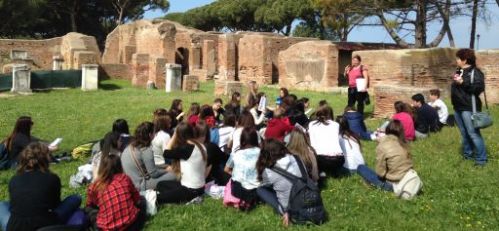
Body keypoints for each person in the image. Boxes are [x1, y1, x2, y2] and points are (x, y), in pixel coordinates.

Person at [0, 143, 81, 231]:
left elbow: (13, 206)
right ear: (46, 159)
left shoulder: (14, 180)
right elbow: (55, 205)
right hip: (46, 225)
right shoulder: (52, 178)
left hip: (15, 227)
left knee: (2, 204)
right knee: (75, 198)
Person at [86, 154, 146, 231]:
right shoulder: (124, 178)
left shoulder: (96, 185)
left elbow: (91, 203)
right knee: (142, 200)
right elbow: (137, 199)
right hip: (132, 225)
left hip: (108, 228)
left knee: (89, 209)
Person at [451, 48, 487, 166]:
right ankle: (468, 155)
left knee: (473, 133)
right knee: (464, 133)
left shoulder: (475, 72)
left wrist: (463, 83)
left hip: (469, 108)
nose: (456, 60)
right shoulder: (459, 71)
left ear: (465, 60)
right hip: (458, 107)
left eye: (458, 58)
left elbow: (478, 88)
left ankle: (481, 160)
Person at [256, 139, 303, 227]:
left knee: (260, 189)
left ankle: (284, 211)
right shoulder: (297, 158)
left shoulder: (269, 171)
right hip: (308, 197)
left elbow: (262, 184)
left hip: (292, 210)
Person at [158, 122, 207, 204]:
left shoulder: (185, 149)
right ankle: (176, 197)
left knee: (158, 199)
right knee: (161, 185)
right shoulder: (201, 146)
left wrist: (174, 135)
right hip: (200, 188)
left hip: (190, 190)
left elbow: (166, 153)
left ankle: (184, 199)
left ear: (179, 135)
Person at [357, 120, 413, 191]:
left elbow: (380, 173)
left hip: (393, 185)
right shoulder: (404, 144)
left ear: (387, 130)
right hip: (409, 180)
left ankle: (370, 184)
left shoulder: (383, 145)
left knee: (361, 167)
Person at [121, 122, 176, 190]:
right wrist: (167, 170)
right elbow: (153, 173)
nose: (155, 134)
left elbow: (148, 167)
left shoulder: (129, 147)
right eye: (154, 133)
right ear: (150, 135)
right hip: (141, 185)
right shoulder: (145, 149)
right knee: (175, 175)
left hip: (130, 182)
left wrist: (164, 166)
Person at [224, 128, 261, 210]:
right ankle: (247, 201)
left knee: (231, 179)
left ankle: (238, 201)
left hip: (236, 190)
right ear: (256, 139)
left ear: (242, 139)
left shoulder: (236, 153)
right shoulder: (262, 153)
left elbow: (226, 169)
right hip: (256, 190)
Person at [307, 106, 344, 177]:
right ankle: (333, 171)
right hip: (339, 159)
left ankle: (321, 171)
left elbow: (312, 143)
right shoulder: (336, 124)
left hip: (321, 159)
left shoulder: (312, 124)